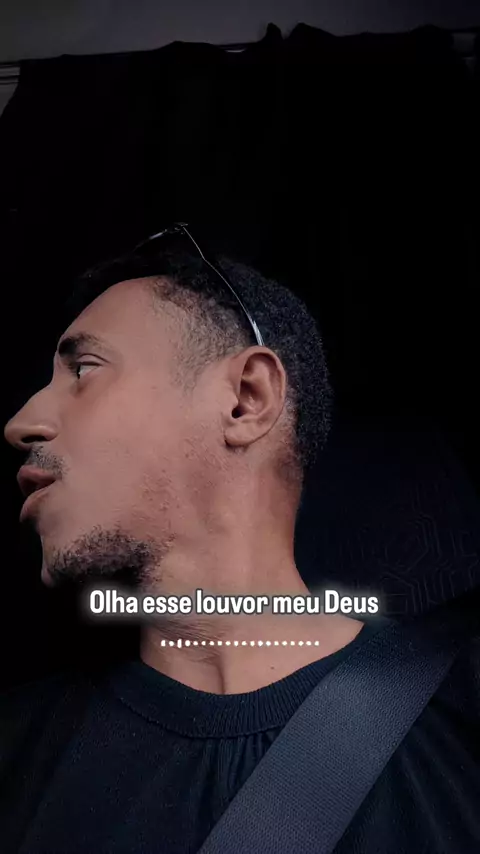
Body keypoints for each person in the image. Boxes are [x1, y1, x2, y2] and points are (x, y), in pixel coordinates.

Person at [1, 225, 479, 853]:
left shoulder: (459, 709)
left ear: (246, 400)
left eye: (84, 370)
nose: (21, 424)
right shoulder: (15, 753)